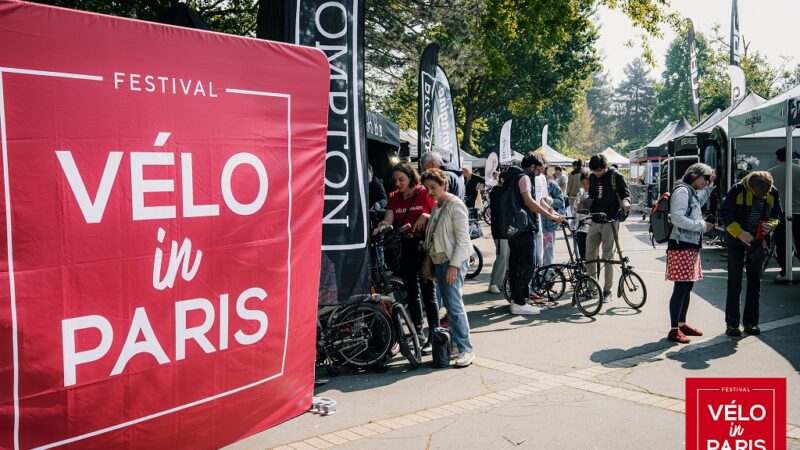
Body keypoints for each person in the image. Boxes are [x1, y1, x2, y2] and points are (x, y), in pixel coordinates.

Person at [374, 162, 439, 349]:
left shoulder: (423, 192)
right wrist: (382, 226)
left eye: (401, 179)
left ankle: (434, 333)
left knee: (428, 291)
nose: (397, 183)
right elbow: (388, 218)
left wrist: (425, 216)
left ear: (411, 177)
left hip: (424, 246)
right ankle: (417, 331)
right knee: (411, 292)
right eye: (395, 180)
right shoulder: (394, 196)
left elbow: (438, 213)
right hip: (405, 246)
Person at [421, 168, 475, 367]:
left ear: (444, 184)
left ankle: (466, 348)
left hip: (452, 262)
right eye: (427, 188)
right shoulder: (439, 205)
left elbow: (463, 239)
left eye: (433, 187)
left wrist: (453, 265)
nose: (430, 192)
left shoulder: (455, 205)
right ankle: (457, 344)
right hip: (442, 261)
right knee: (451, 306)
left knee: (454, 305)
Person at [720, 171, 782, 337]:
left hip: (758, 242)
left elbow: (777, 214)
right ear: (750, 187)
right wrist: (740, 233)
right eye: (758, 194)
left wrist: (772, 224)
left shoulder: (772, 191)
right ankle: (732, 324)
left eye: (765, 194)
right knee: (734, 283)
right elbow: (724, 214)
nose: (762, 196)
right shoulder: (737, 189)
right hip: (736, 241)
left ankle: (751, 323)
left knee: (755, 283)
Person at [502, 153, 565, 315]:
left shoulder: (514, 175)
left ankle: (516, 300)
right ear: (532, 166)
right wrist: (550, 216)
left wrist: (551, 211)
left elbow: (538, 200)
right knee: (526, 264)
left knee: (516, 264)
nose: (541, 172)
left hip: (514, 227)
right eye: (539, 169)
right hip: (524, 227)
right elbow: (529, 202)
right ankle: (520, 302)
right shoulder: (524, 177)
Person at [665, 163, 716, 343]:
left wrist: (709, 186)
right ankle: (674, 329)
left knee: (687, 286)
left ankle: (681, 324)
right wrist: (702, 225)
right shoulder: (682, 191)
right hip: (681, 244)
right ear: (694, 175)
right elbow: (677, 218)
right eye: (705, 178)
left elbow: (698, 202)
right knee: (681, 287)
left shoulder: (690, 191)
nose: (706, 182)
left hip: (689, 244)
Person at [586, 153, 631, 303]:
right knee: (589, 255)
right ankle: (592, 288)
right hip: (595, 220)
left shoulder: (616, 176)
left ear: (605, 167)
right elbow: (592, 197)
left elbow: (626, 194)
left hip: (611, 221)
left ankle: (607, 291)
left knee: (607, 257)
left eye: (598, 170)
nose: (596, 173)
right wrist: (584, 203)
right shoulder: (592, 177)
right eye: (594, 171)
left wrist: (626, 202)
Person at [766, 147, 800, 282]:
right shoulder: (798, 170)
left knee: (781, 243)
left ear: (777, 158)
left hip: (779, 212)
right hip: (799, 210)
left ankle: (785, 270)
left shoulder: (770, 173)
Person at [487, 180, 508, 294]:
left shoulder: (504, 191)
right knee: (502, 255)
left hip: (505, 229)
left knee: (506, 255)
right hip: (500, 229)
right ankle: (494, 283)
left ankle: (500, 282)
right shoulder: (498, 192)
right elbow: (499, 210)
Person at [542, 177, 567, 266]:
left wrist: (549, 201)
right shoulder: (532, 182)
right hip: (536, 225)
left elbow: (560, 200)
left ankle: (548, 272)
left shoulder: (551, 184)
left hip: (548, 225)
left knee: (548, 253)